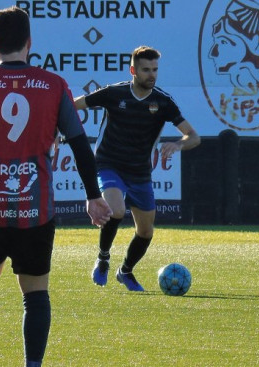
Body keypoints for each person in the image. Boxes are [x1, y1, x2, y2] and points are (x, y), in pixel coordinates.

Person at [0, 6, 111, 367]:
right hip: (35, 208)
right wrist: (93, 195)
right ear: (29, 42)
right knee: (36, 293)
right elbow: (79, 144)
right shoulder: (54, 86)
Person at [74, 46, 200, 291]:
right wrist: (59, 130)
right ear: (133, 70)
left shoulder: (162, 102)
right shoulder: (114, 93)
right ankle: (103, 259)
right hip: (108, 163)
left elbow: (194, 137)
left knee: (145, 231)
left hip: (140, 171)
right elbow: (73, 106)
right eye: (145, 70)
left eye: (154, 69)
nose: (151, 75)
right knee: (115, 209)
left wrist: (177, 144)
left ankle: (126, 271)